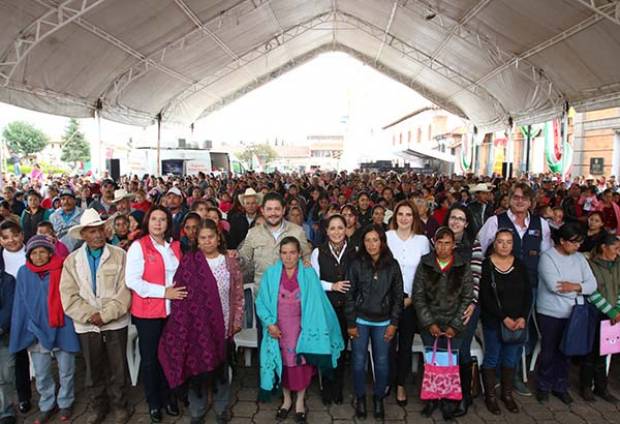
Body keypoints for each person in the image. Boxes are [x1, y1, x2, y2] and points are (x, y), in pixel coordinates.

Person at [158, 220, 244, 424]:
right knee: (197, 368)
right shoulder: (189, 262)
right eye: (203, 238)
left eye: (211, 237)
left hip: (223, 324)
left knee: (221, 369)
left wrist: (237, 319)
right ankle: (197, 409)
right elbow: (181, 293)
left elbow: (238, 294)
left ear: (218, 238)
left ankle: (222, 409)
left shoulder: (229, 261)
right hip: (197, 328)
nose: (207, 242)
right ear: (197, 240)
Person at [256, 237, 343, 424]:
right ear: (279, 254)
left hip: (303, 330)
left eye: (292, 252)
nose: (288, 257)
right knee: (284, 365)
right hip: (279, 330)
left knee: (302, 365)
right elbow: (261, 302)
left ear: (299, 254)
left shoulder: (308, 273)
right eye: (284, 252)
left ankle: (300, 403)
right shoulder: (271, 274)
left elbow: (318, 303)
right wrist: (270, 324)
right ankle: (287, 400)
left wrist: (312, 326)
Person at [478, 182, 552, 396]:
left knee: (521, 332)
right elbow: (479, 249)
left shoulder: (541, 225)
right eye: (516, 197)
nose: (520, 201)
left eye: (525, 198)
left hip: (528, 288)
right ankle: (496, 378)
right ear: (509, 199)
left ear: (531, 202)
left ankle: (514, 376)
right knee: (496, 330)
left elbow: (545, 257)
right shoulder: (495, 222)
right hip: (496, 289)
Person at [59, 209, 132, 424]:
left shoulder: (119, 255)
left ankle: (119, 404)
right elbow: (68, 294)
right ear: (83, 235)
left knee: (117, 367)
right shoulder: (72, 261)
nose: (97, 235)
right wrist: (90, 315)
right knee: (93, 368)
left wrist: (106, 315)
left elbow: (125, 290)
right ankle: (97, 405)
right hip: (86, 325)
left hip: (115, 322)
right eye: (92, 231)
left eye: (100, 230)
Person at [125, 206, 186, 423]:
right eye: (154, 219)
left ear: (169, 223)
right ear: (147, 223)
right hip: (148, 312)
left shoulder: (175, 247)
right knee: (150, 359)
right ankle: (154, 403)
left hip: (173, 312)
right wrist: (164, 292)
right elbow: (132, 281)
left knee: (170, 356)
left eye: (162, 219)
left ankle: (170, 397)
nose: (158, 223)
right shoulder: (138, 247)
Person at [9, 235, 80, 424]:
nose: (38, 256)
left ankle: (66, 401)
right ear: (28, 256)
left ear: (50, 253)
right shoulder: (24, 272)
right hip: (36, 329)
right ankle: (47, 404)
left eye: (42, 252)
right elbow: (20, 303)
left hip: (62, 325)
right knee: (42, 373)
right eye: (34, 253)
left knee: (66, 370)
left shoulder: (62, 268)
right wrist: (23, 328)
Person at [413, 227, 474, 420]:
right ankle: (431, 399)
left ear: (453, 245)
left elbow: (467, 296)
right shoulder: (425, 264)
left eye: (447, 243)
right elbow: (418, 296)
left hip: (454, 324)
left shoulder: (462, 265)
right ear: (434, 243)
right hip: (430, 323)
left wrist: (455, 325)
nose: (443, 247)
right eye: (440, 243)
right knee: (431, 361)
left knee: (450, 363)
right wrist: (429, 322)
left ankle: (449, 401)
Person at [345, 224, 403, 420]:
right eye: (367, 240)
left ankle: (379, 398)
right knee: (358, 361)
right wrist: (351, 323)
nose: (371, 244)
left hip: (384, 321)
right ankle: (360, 397)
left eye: (375, 240)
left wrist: (394, 323)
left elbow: (397, 297)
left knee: (382, 362)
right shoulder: (356, 264)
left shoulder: (392, 265)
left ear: (382, 242)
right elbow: (350, 296)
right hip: (360, 320)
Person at [536, 223, 597, 404]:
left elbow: (592, 285)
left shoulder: (579, 258)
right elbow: (555, 287)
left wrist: (576, 286)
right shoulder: (547, 257)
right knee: (549, 351)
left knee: (567, 352)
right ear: (562, 241)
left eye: (580, 243)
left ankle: (560, 386)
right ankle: (544, 385)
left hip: (574, 313)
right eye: (574, 242)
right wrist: (580, 287)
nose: (577, 246)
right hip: (550, 312)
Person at [479, 229, 532, 415]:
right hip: (494, 321)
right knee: (492, 357)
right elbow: (484, 297)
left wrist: (523, 317)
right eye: (500, 241)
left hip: (517, 322)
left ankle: (507, 394)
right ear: (494, 243)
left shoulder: (520, 265)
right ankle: (490, 396)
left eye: (508, 242)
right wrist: (504, 318)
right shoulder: (486, 265)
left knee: (510, 358)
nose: (504, 245)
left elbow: (528, 294)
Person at [385, 201, 430, 406]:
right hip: (387, 301)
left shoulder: (422, 241)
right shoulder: (386, 238)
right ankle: (387, 380)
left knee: (405, 344)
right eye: (400, 214)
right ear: (395, 216)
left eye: (408, 214)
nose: (404, 218)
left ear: (414, 218)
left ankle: (401, 384)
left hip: (412, 301)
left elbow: (425, 274)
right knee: (387, 344)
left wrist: (411, 298)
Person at [310, 214, 356, 405]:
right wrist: (332, 286)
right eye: (332, 228)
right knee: (327, 349)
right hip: (326, 308)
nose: (337, 232)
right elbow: (312, 281)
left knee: (342, 349)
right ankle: (326, 388)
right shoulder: (318, 252)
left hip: (348, 309)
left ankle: (338, 388)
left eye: (340, 228)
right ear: (326, 231)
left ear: (346, 229)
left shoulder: (355, 251)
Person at [442, 204, 483, 416]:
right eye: (453, 217)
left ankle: (464, 396)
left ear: (466, 224)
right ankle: (447, 393)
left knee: (461, 349)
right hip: (442, 307)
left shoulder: (473, 246)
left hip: (466, 307)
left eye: (460, 219)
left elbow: (476, 277)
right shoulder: (439, 241)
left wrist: (470, 304)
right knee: (445, 349)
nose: (456, 222)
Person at [580, 234, 620, 403]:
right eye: (615, 248)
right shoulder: (590, 265)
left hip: (613, 313)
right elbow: (591, 291)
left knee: (604, 352)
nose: (618, 252)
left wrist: (617, 308)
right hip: (595, 312)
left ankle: (601, 387)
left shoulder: (617, 265)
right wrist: (610, 311)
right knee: (590, 351)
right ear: (604, 247)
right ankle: (586, 386)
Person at [0, 221, 31, 414]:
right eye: (5, 237)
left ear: (21, 235)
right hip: (12, 315)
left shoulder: (35, 251)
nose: (11, 240)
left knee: (43, 354)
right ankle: (24, 396)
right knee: (19, 357)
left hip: (35, 308)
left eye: (14, 235)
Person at [0, 261, 16, 424]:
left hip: (3, 335)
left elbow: (10, 307)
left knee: (5, 376)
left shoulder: (7, 280)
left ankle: (6, 411)